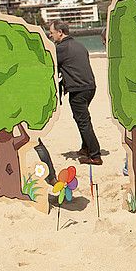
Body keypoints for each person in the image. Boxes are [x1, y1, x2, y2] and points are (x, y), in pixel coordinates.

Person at [49, 20, 102, 165]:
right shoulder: (80, 45)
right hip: (90, 87)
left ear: (60, 32)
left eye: (52, 32)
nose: (50, 35)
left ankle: (95, 155)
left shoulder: (61, 48)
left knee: (83, 121)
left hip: (78, 89)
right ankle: (85, 148)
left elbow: (50, 64)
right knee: (82, 118)